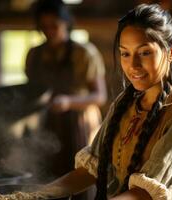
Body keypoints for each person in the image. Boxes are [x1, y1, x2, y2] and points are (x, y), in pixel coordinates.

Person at [0, 3, 172, 200]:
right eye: (125, 54)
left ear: (171, 52)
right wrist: (36, 195)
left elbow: (144, 194)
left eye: (145, 53)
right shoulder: (125, 104)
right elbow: (90, 170)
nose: (133, 65)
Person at [23, 0, 107, 182]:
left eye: (54, 25)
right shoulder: (35, 55)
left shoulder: (84, 53)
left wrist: (69, 102)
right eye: (44, 26)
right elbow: (30, 91)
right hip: (47, 122)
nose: (49, 31)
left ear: (66, 23)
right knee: (48, 178)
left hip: (80, 123)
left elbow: (100, 96)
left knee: (80, 177)